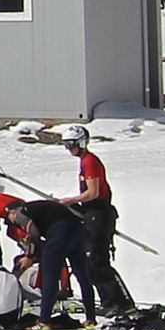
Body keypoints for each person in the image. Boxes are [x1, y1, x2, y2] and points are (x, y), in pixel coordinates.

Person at [61, 130, 133, 314]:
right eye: (66, 145)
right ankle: (108, 301)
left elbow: (93, 193)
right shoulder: (84, 162)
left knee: (97, 260)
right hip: (90, 213)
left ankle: (120, 302)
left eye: (72, 144)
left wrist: (70, 200)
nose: (70, 149)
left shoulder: (90, 162)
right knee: (90, 262)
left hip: (99, 214)